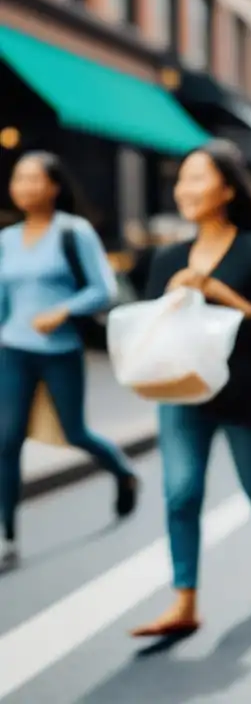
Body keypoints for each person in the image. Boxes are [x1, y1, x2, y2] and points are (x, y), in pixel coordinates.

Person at [133, 139, 251, 637]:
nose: (186, 189)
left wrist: (218, 292)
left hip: (246, 387)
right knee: (181, 492)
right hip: (183, 390)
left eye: (197, 178)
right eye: (181, 179)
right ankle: (184, 600)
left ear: (226, 188)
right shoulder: (167, 258)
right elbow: (153, 327)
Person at [0, 152, 138, 569]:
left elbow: (104, 289)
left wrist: (63, 310)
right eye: (17, 178)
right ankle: (7, 534)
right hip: (14, 350)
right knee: (6, 441)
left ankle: (122, 471)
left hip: (60, 351)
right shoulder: (6, 239)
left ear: (53, 186)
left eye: (33, 178)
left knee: (76, 433)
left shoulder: (73, 232)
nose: (23, 186)